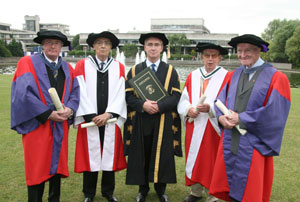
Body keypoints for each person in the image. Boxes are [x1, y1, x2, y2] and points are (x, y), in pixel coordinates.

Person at [209, 34, 291, 202]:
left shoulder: (276, 77)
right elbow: (219, 99)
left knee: (250, 192)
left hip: (253, 143)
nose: (242, 55)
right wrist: (221, 118)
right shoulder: (234, 74)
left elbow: (275, 113)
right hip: (231, 139)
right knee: (230, 187)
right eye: (239, 51)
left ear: (259, 51)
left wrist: (242, 118)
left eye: (248, 50)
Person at [11, 30, 80, 202]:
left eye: (56, 43)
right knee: (37, 167)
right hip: (38, 125)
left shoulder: (66, 67)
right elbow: (23, 93)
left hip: (59, 127)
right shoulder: (27, 62)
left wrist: (70, 109)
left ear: (61, 46)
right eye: (49, 42)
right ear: (42, 44)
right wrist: (48, 113)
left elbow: (75, 93)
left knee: (56, 167)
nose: (52, 46)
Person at [124, 32, 182, 202]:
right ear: (145, 47)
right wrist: (143, 105)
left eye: (157, 45)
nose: (153, 48)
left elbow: (176, 96)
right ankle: (142, 190)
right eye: (150, 44)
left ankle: (160, 189)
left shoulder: (171, 71)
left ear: (162, 48)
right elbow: (128, 97)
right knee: (142, 154)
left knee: (162, 155)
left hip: (163, 120)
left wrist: (159, 106)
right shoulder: (134, 70)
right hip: (141, 120)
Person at [73, 31, 127, 202]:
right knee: (91, 156)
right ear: (93, 46)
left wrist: (109, 114)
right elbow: (78, 90)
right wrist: (91, 115)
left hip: (110, 119)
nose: (103, 45)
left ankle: (108, 192)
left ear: (111, 47)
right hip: (90, 119)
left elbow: (121, 93)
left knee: (109, 156)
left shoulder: (118, 66)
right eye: (99, 42)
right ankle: (88, 194)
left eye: (106, 43)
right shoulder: (82, 64)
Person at [178, 43, 231, 202]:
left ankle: (213, 195)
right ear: (201, 56)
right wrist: (189, 110)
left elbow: (231, 102)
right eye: (207, 55)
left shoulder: (227, 77)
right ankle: (196, 192)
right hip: (195, 124)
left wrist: (212, 109)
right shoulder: (192, 76)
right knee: (194, 158)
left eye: (214, 55)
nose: (210, 59)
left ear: (220, 58)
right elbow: (183, 100)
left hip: (213, 126)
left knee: (212, 160)